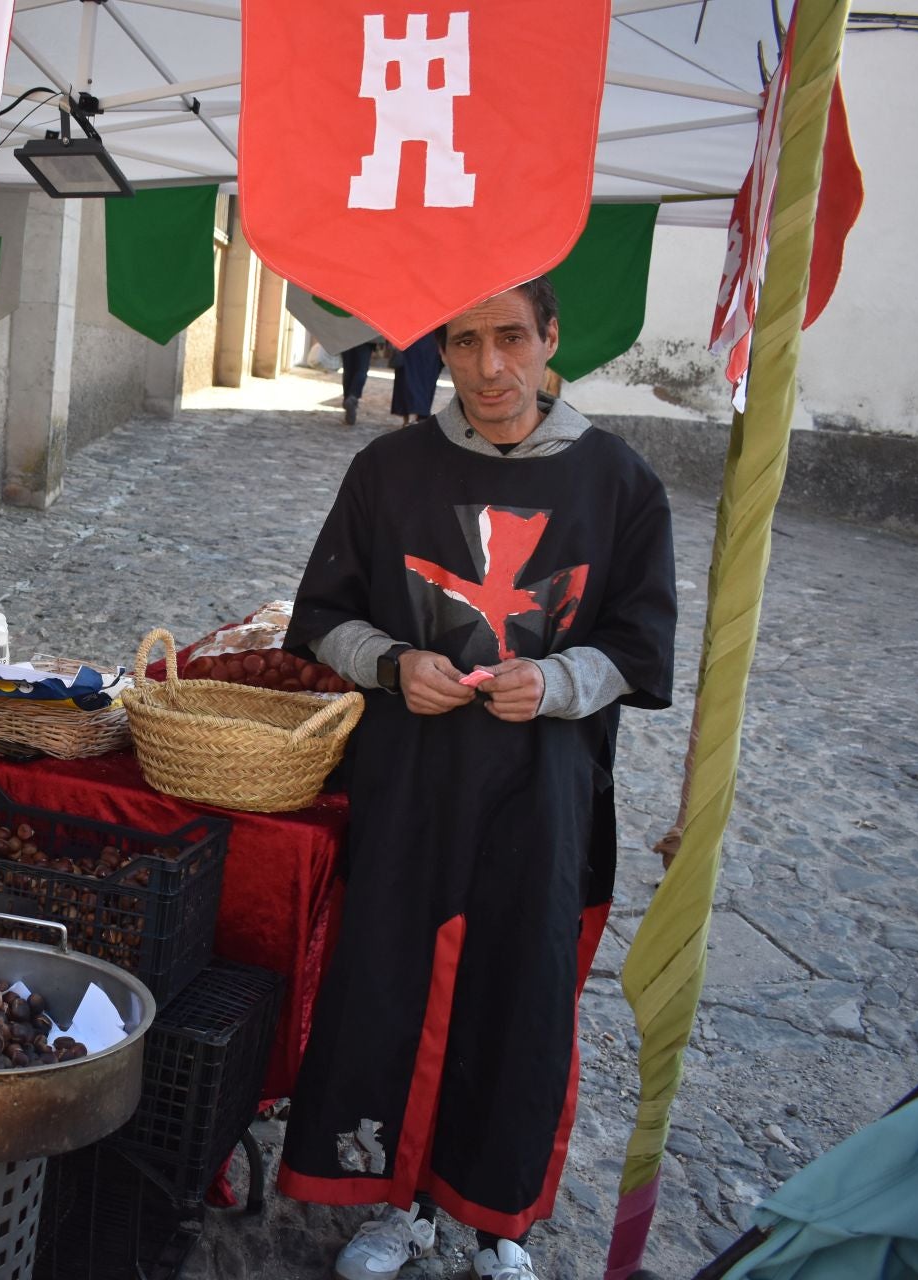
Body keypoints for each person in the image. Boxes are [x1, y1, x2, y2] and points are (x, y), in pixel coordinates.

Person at [279, 279, 677, 1280]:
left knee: (522, 999)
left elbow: (640, 642)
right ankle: (395, 1200)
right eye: (464, 341)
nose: (490, 366)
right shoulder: (389, 469)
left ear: (552, 338)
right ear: (440, 350)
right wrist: (391, 662)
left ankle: (500, 1216)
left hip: (544, 799)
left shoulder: (621, 483)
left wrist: (554, 679)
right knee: (388, 989)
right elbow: (324, 612)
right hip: (409, 789)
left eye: (511, 337)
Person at [390, 330, 444, 425]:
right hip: (419, 339)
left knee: (411, 378)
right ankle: (417, 416)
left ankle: (414, 417)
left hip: (419, 339)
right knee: (416, 378)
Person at [340, 340, 376, 426]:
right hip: (366, 337)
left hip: (346, 335)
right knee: (361, 370)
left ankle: (347, 398)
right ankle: (353, 396)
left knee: (348, 370)